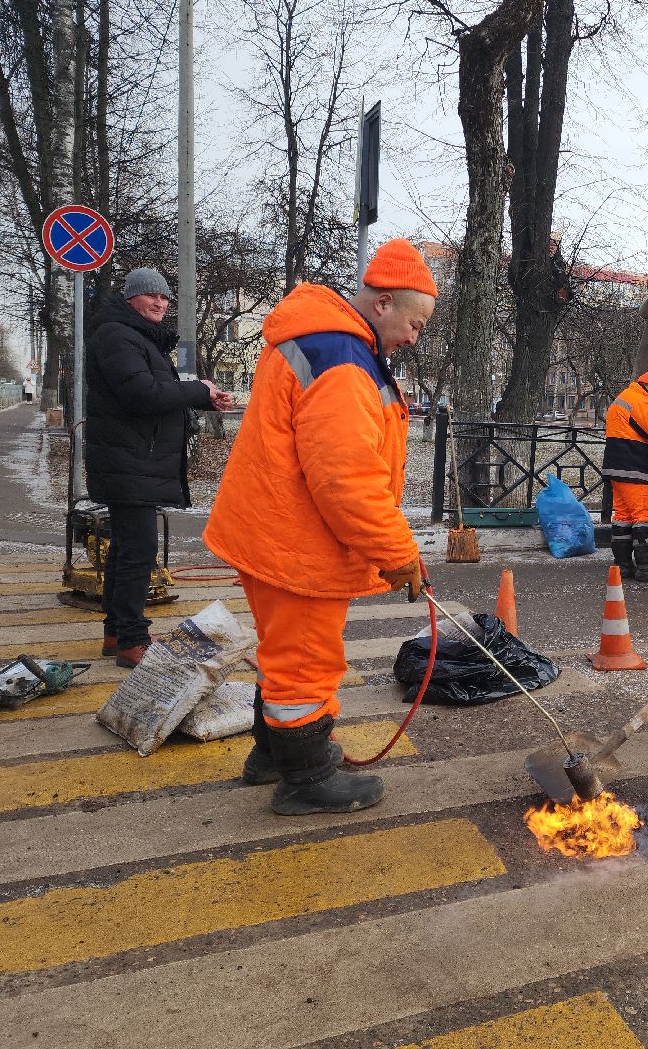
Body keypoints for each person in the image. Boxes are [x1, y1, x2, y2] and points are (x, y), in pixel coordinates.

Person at [204, 238, 435, 816]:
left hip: (277, 531)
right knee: (306, 661)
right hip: (298, 545)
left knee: (284, 653)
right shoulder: (342, 361)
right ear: (382, 305)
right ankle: (305, 779)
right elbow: (346, 479)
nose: (413, 338)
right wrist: (397, 551)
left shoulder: (325, 344)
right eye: (415, 323)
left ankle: (272, 756)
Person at [86, 267, 233, 668]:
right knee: (139, 551)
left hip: (132, 458)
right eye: (152, 296)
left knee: (126, 550)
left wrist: (204, 396)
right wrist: (196, 390)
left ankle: (116, 633)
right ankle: (133, 641)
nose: (160, 303)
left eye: (165, 298)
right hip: (128, 459)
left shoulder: (132, 336)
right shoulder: (118, 335)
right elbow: (143, 394)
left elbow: (155, 391)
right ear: (131, 298)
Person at [601, 367, 648, 584]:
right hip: (634, 470)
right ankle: (646, 568)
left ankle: (623, 566)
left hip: (619, 468)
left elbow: (634, 433)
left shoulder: (625, 398)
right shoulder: (639, 399)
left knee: (623, 517)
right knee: (644, 516)